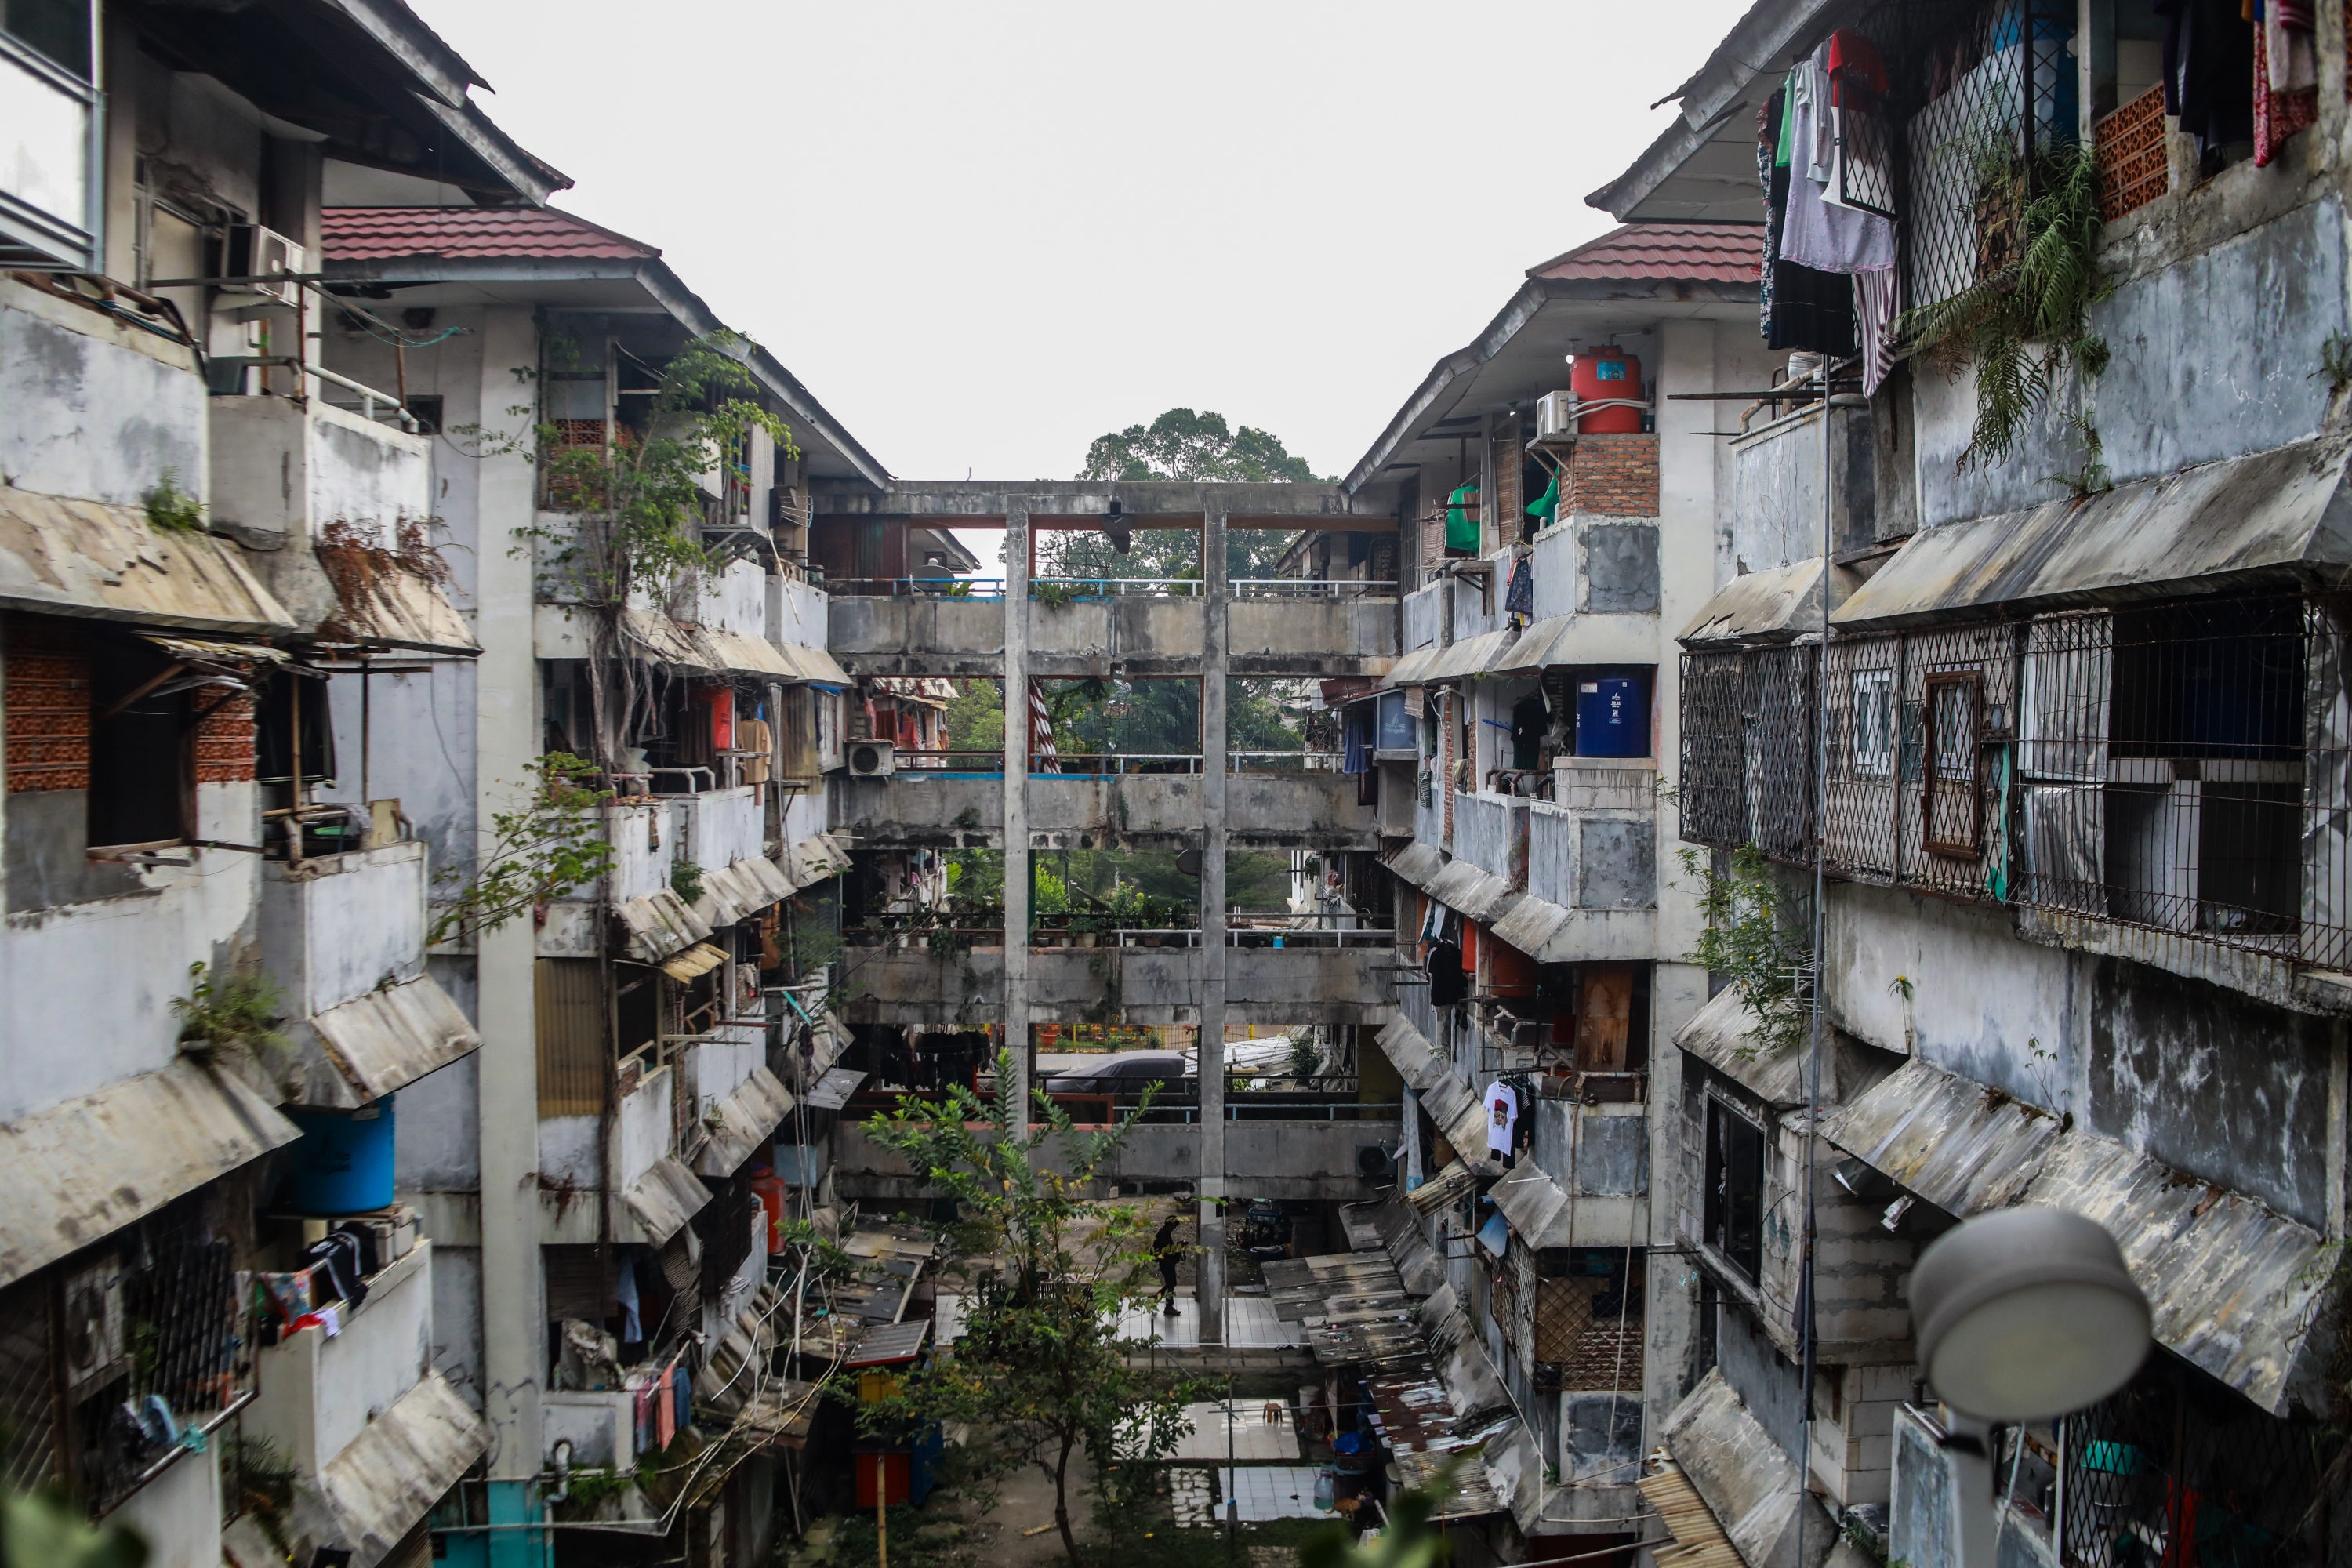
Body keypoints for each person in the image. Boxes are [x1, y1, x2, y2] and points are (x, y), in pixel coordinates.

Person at [1152, 1214, 1183, 1315]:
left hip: (1166, 1263)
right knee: (1171, 1284)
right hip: (1166, 1263)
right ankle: (1167, 1306)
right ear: (1169, 1225)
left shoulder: (1165, 1232)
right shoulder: (1163, 1234)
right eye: (1174, 1226)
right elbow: (1166, 1250)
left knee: (1171, 1284)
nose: (1174, 1228)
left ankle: (1156, 1300)